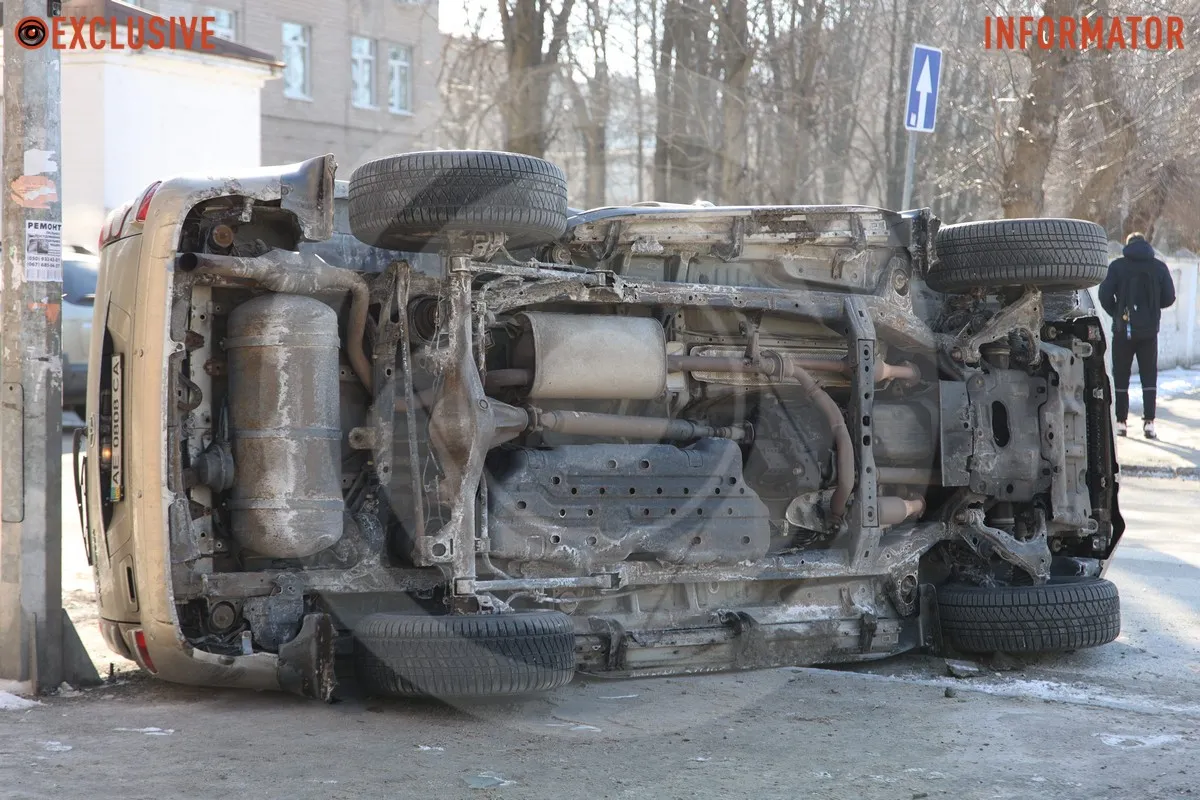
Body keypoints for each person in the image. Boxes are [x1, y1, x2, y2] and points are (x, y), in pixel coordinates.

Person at [1098, 232, 1176, 439]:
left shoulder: (1117, 266)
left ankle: (1121, 422)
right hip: (1149, 332)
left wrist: (1117, 313)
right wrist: (1150, 310)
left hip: (1123, 330)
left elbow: (1104, 295)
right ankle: (1149, 422)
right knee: (1149, 376)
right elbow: (1170, 297)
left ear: (1127, 244)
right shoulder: (1158, 267)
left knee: (1121, 375)